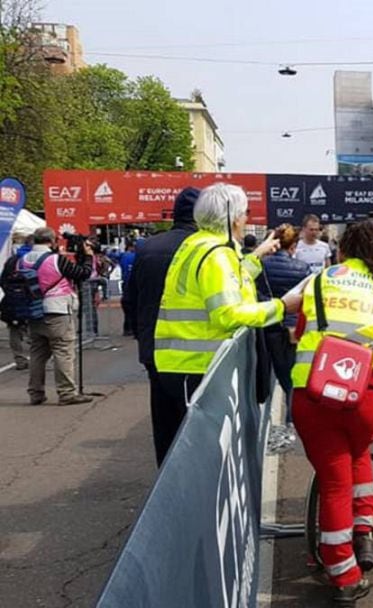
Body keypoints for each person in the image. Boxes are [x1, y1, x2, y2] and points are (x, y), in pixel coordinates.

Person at [290, 221, 373, 604]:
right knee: (358, 451)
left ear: (343, 250)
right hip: (366, 393)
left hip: (315, 391)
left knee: (334, 479)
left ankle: (342, 569)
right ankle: (364, 524)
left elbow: (300, 330)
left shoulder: (320, 280)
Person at [153, 184, 293, 465]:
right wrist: (283, 307)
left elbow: (233, 281)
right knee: (202, 456)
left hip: (184, 365)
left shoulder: (199, 244)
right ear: (233, 218)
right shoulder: (217, 254)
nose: (246, 219)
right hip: (196, 366)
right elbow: (229, 314)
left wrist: (258, 256)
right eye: (244, 213)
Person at [126, 188, 200, 465]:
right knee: (197, 425)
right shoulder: (209, 248)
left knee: (164, 423)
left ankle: (166, 487)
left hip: (155, 349)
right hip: (197, 353)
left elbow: (130, 299)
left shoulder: (147, 248)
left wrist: (141, 335)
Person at [22, 227, 95, 405]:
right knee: (63, 351)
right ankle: (67, 393)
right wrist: (87, 256)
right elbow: (83, 274)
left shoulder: (22, 260)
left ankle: (35, 392)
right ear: (52, 241)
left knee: (38, 353)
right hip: (57, 309)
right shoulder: (56, 260)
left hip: (33, 309)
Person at [256, 223, 310, 414]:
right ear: (294, 246)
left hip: (266, 325)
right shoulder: (303, 269)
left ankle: (266, 420)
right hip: (292, 330)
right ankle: (291, 421)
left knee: (264, 376)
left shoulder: (261, 266)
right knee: (292, 380)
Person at [1, 235, 34, 369]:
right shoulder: (34, 260)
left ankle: (20, 360)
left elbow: (2, 280)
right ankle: (38, 358)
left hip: (12, 299)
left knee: (14, 330)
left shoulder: (12, 260)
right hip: (31, 299)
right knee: (35, 328)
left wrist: (10, 291)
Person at [119, 240, 137, 335]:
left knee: (127, 307)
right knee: (134, 308)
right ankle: (133, 329)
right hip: (133, 284)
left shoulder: (123, 256)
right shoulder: (135, 256)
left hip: (126, 283)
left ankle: (127, 329)